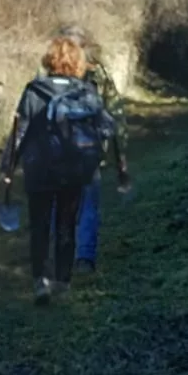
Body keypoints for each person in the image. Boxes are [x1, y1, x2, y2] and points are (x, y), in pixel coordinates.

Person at [1, 35, 130, 305]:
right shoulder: (86, 92)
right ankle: (63, 281)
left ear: (49, 60)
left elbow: (19, 131)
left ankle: (41, 282)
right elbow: (108, 127)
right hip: (74, 167)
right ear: (78, 63)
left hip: (39, 168)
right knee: (66, 224)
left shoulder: (33, 91)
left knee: (39, 224)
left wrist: (9, 167)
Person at [54, 26, 126, 275]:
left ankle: (66, 255)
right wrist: (120, 158)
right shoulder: (98, 76)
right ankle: (84, 258)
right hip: (88, 153)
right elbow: (115, 116)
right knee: (86, 205)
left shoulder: (47, 76)